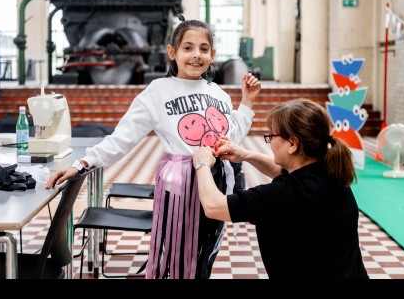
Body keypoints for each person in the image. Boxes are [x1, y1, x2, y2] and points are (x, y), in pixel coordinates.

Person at [46, 15, 261, 279]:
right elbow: (122, 138)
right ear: (172, 52)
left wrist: (247, 102)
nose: (196, 55)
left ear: (213, 54)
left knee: (205, 254)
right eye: (188, 47)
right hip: (181, 185)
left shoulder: (218, 93)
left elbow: (233, 137)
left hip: (214, 183)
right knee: (179, 259)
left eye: (203, 49)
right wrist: (83, 163)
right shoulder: (157, 92)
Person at [192, 98, 369, 279]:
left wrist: (202, 164)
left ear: (292, 144)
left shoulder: (284, 194)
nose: (269, 141)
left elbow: (214, 206)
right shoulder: (330, 170)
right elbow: (281, 170)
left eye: (272, 136)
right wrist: (246, 155)